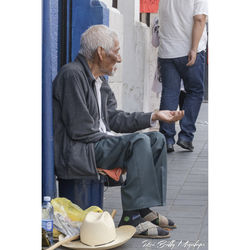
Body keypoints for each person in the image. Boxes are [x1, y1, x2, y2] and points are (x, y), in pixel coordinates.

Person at [53, 25, 184, 238]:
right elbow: (80, 130)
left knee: (156, 139)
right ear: (100, 53)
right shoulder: (72, 76)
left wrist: (154, 115)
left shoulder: (99, 82)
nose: (120, 58)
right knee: (138, 142)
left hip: (97, 143)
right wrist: (120, 141)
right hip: (81, 150)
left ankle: (144, 208)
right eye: (117, 51)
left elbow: (114, 118)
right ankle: (131, 218)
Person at [158, 0, 208, 152]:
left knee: (169, 93)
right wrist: (193, 49)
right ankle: (185, 137)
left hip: (167, 52)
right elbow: (199, 19)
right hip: (189, 51)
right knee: (195, 92)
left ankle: (166, 138)